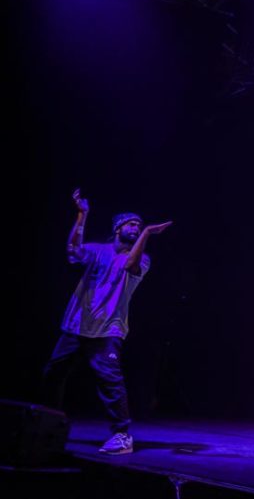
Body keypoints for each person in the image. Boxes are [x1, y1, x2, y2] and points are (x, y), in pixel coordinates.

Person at [42, 188, 172, 455]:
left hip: (108, 329)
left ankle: (122, 435)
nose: (136, 227)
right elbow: (73, 251)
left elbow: (129, 265)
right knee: (53, 374)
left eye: (139, 225)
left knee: (110, 380)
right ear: (117, 228)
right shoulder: (97, 251)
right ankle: (47, 424)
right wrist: (82, 214)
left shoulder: (142, 258)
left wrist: (148, 233)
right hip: (76, 325)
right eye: (131, 224)